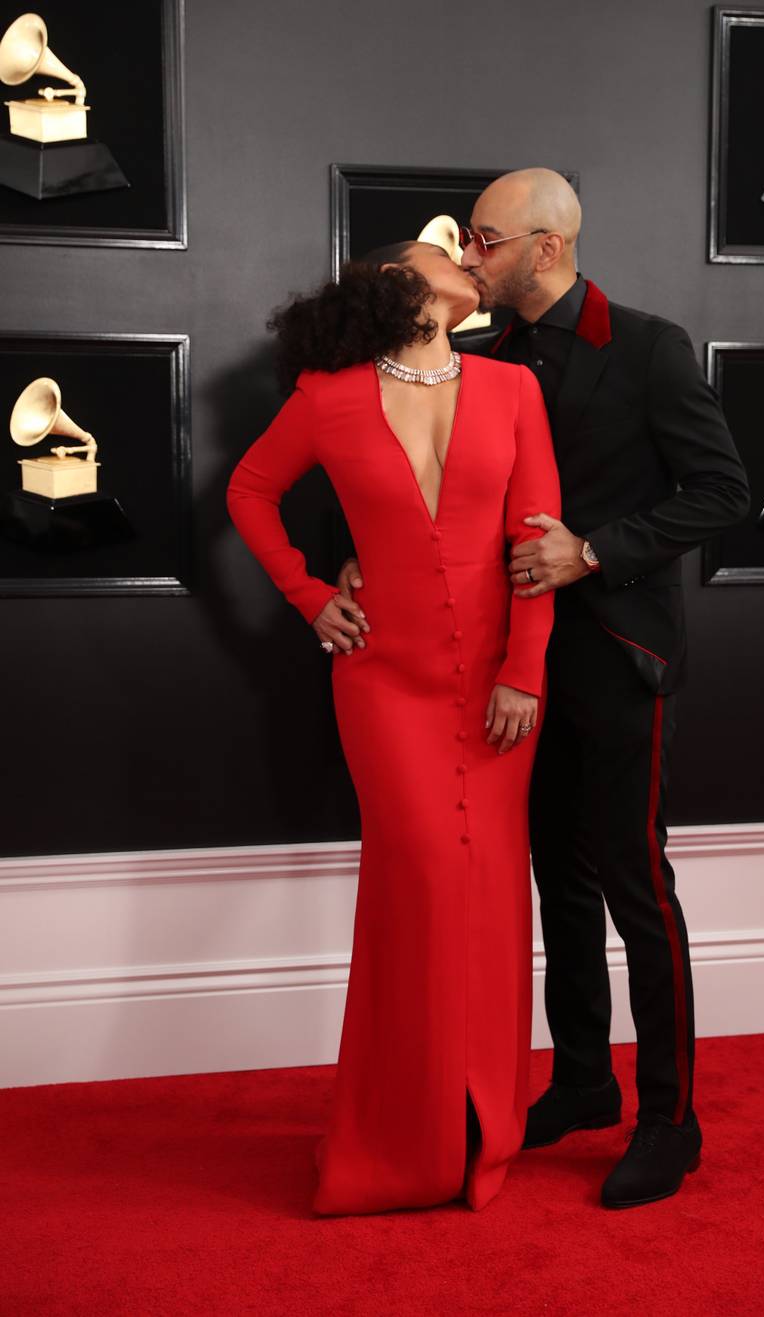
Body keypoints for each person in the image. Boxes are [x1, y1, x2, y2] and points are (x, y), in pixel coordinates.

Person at [339, 170, 750, 1209]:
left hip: (615, 655)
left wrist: (594, 553)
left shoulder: (650, 347)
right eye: (465, 239)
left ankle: (671, 1119)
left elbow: (722, 492)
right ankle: (579, 1081)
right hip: (503, 671)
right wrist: (355, 566)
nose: (467, 252)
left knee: (632, 888)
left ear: (546, 248)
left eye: (485, 237)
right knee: (555, 889)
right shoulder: (479, 355)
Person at [226, 240, 561, 1216]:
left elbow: (535, 540)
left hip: (499, 690)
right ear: (401, 291)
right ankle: (399, 1137)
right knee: (415, 886)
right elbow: (248, 491)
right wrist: (306, 594)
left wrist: (524, 673)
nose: (462, 254)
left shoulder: (511, 390)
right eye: (440, 250)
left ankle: (480, 1127)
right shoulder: (326, 395)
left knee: (494, 895)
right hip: (383, 684)